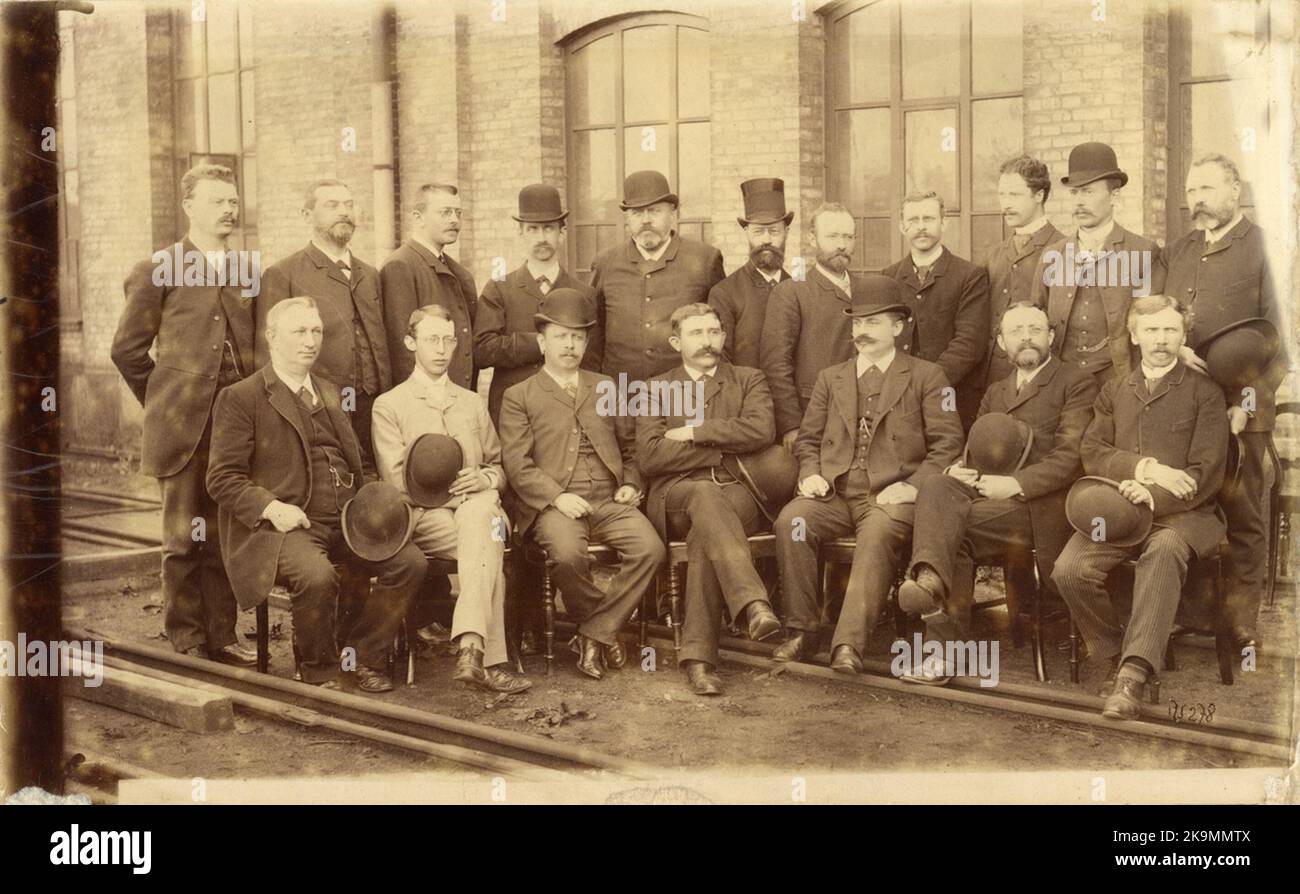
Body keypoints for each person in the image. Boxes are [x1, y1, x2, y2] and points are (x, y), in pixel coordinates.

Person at [206, 297, 428, 691]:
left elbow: (359, 461)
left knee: (409, 562)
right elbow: (222, 478)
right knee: (317, 575)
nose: (311, 341)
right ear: (272, 337)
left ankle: (361, 656)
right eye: (300, 331)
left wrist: (381, 502)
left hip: (346, 522)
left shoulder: (329, 391)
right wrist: (272, 508)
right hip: (285, 528)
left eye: (317, 331)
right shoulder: (243, 397)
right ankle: (319, 672)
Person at [772, 276, 964, 671]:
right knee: (792, 521)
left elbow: (948, 446)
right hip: (837, 495)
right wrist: (809, 472)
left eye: (873, 322)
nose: (862, 332)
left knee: (875, 534)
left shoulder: (928, 376)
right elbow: (808, 440)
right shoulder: (831, 378)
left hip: (890, 497)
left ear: (898, 327)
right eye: (857, 323)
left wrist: (912, 488)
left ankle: (848, 646)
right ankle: (803, 630)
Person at [1051, 295, 1228, 720]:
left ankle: (1133, 675)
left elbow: (1205, 472)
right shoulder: (1116, 389)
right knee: (1069, 570)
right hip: (1119, 512)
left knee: (1163, 551)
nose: (1161, 340)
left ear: (1183, 336)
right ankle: (1113, 653)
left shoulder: (1205, 392)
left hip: (1184, 514)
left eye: (1170, 330)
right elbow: (1093, 450)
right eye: (1151, 330)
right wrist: (1144, 467)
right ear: (1134, 336)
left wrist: (1155, 493)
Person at [898, 303, 1098, 671]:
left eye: (1035, 330)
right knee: (937, 487)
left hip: (1042, 505)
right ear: (1002, 342)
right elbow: (975, 450)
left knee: (950, 530)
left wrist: (1014, 483)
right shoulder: (996, 391)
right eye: (1016, 331)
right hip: (989, 501)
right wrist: (962, 469)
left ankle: (939, 642)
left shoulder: (1075, 382)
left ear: (1051, 337)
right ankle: (930, 585)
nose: (1026, 338)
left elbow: (1072, 458)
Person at [110, 163, 256, 666]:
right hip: (181, 428)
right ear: (190, 207)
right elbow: (127, 350)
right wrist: (164, 402)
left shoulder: (244, 269)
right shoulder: (159, 267)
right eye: (218, 201)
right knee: (182, 536)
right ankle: (187, 637)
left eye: (233, 201)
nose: (229, 210)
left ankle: (223, 634)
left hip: (234, 426)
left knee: (225, 533)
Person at [498, 288, 667, 679]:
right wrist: (558, 497)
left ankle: (593, 634)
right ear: (542, 342)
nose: (570, 345)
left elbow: (631, 448)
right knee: (569, 555)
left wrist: (630, 483)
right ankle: (605, 630)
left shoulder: (605, 385)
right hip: (554, 506)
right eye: (561, 336)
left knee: (652, 550)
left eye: (578, 337)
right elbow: (518, 466)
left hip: (609, 501)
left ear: (587, 342)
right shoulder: (519, 395)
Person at [1157, 153, 1287, 649]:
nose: (1198, 200)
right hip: (1186, 406)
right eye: (1192, 191)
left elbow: (1282, 344)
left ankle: (1240, 625)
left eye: (1208, 189)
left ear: (1236, 191)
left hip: (1240, 410)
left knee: (1244, 515)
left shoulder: (1265, 249)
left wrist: (1247, 405)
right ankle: (1189, 615)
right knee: (1187, 506)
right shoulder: (1179, 250)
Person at [372, 304, 531, 694]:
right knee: (486, 536)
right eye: (431, 340)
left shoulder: (472, 403)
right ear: (411, 343)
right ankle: (484, 658)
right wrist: (455, 497)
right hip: (425, 518)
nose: (441, 349)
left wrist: (483, 478)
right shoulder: (390, 405)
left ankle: (472, 649)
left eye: (447, 340)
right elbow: (396, 483)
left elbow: (499, 467)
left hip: (482, 512)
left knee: (483, 522)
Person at [637, 303, 780, 695]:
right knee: (703, 495)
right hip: (676, 493)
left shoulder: (748, 379)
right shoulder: (654, 387)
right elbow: (650, 455)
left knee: (708, 531)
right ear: (676, 341)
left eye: (714, 331)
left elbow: (761, 430)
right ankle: (753, 604)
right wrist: (722, 449)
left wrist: (695, 432)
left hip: (737, 491)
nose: (707, 341)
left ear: (724, 336)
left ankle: (699, 660)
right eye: (697, 333)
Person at [258, 179, 391, 461]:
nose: (344, 212)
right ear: (307, 216)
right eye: (332, 205)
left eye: (349, 205)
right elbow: (266, 354)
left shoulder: (370, 275)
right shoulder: (283, 274)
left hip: (372, 405)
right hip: (318, 408)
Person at [1030, 142, 1164, 384]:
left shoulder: (1142, 252)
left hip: (1119, 381)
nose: (1079, 202)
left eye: (1088, 192)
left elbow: (1152, 324)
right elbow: (1036, 317)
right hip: (1062, 381)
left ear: (1114, 195)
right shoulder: (1053, 256)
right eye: (1074, 192)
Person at [588, 170, 725, 383]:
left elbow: (720, 333)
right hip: (623, 394)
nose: (645, 220)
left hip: (686, 394)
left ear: (672, 212)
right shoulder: (606, 262)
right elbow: (595, 335)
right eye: (637, 213)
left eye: (654, 211)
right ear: (627, 218)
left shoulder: (705, 259)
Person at [884, 190, 990, 431]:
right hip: (897, 399)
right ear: (902, 227)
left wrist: (926, 387)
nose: (921, 227)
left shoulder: (969, 276)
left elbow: (969, 344)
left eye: (928, 219)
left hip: (952, 397)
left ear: (944, 223)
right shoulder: (889, 278)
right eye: (913, 220)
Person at [760, 202, 861, 449]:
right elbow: (776, 364)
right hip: (814, 415)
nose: (841, 244)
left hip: (864, 411)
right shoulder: (792, 291)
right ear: (813, 239)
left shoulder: (867, 289)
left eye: (848, 236)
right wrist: (792, 425)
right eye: (833, 236)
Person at [977, 155, 1062, 389]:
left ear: (1039, 195)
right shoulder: (991, 255)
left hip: (1044, 379)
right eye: (1002, 195)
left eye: (1014, 195)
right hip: (993, 379)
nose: (1005, 204)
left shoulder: (1065, 250)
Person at [381, 182, 477, 388]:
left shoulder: (458, 272)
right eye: (445, 212)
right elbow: (402, 349)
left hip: (457, 397)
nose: (454, 220)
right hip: (425, 400)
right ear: (418, 217)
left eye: (458, 213)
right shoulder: (401, 265)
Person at [707, 178, 793, 369]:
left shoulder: (798, 288)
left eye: (774, 231)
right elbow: (721, 362)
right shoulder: (725, 293)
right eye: (758, 232)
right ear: (746, 232)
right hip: (746, 396)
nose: (766, 239)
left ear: (786, 231)